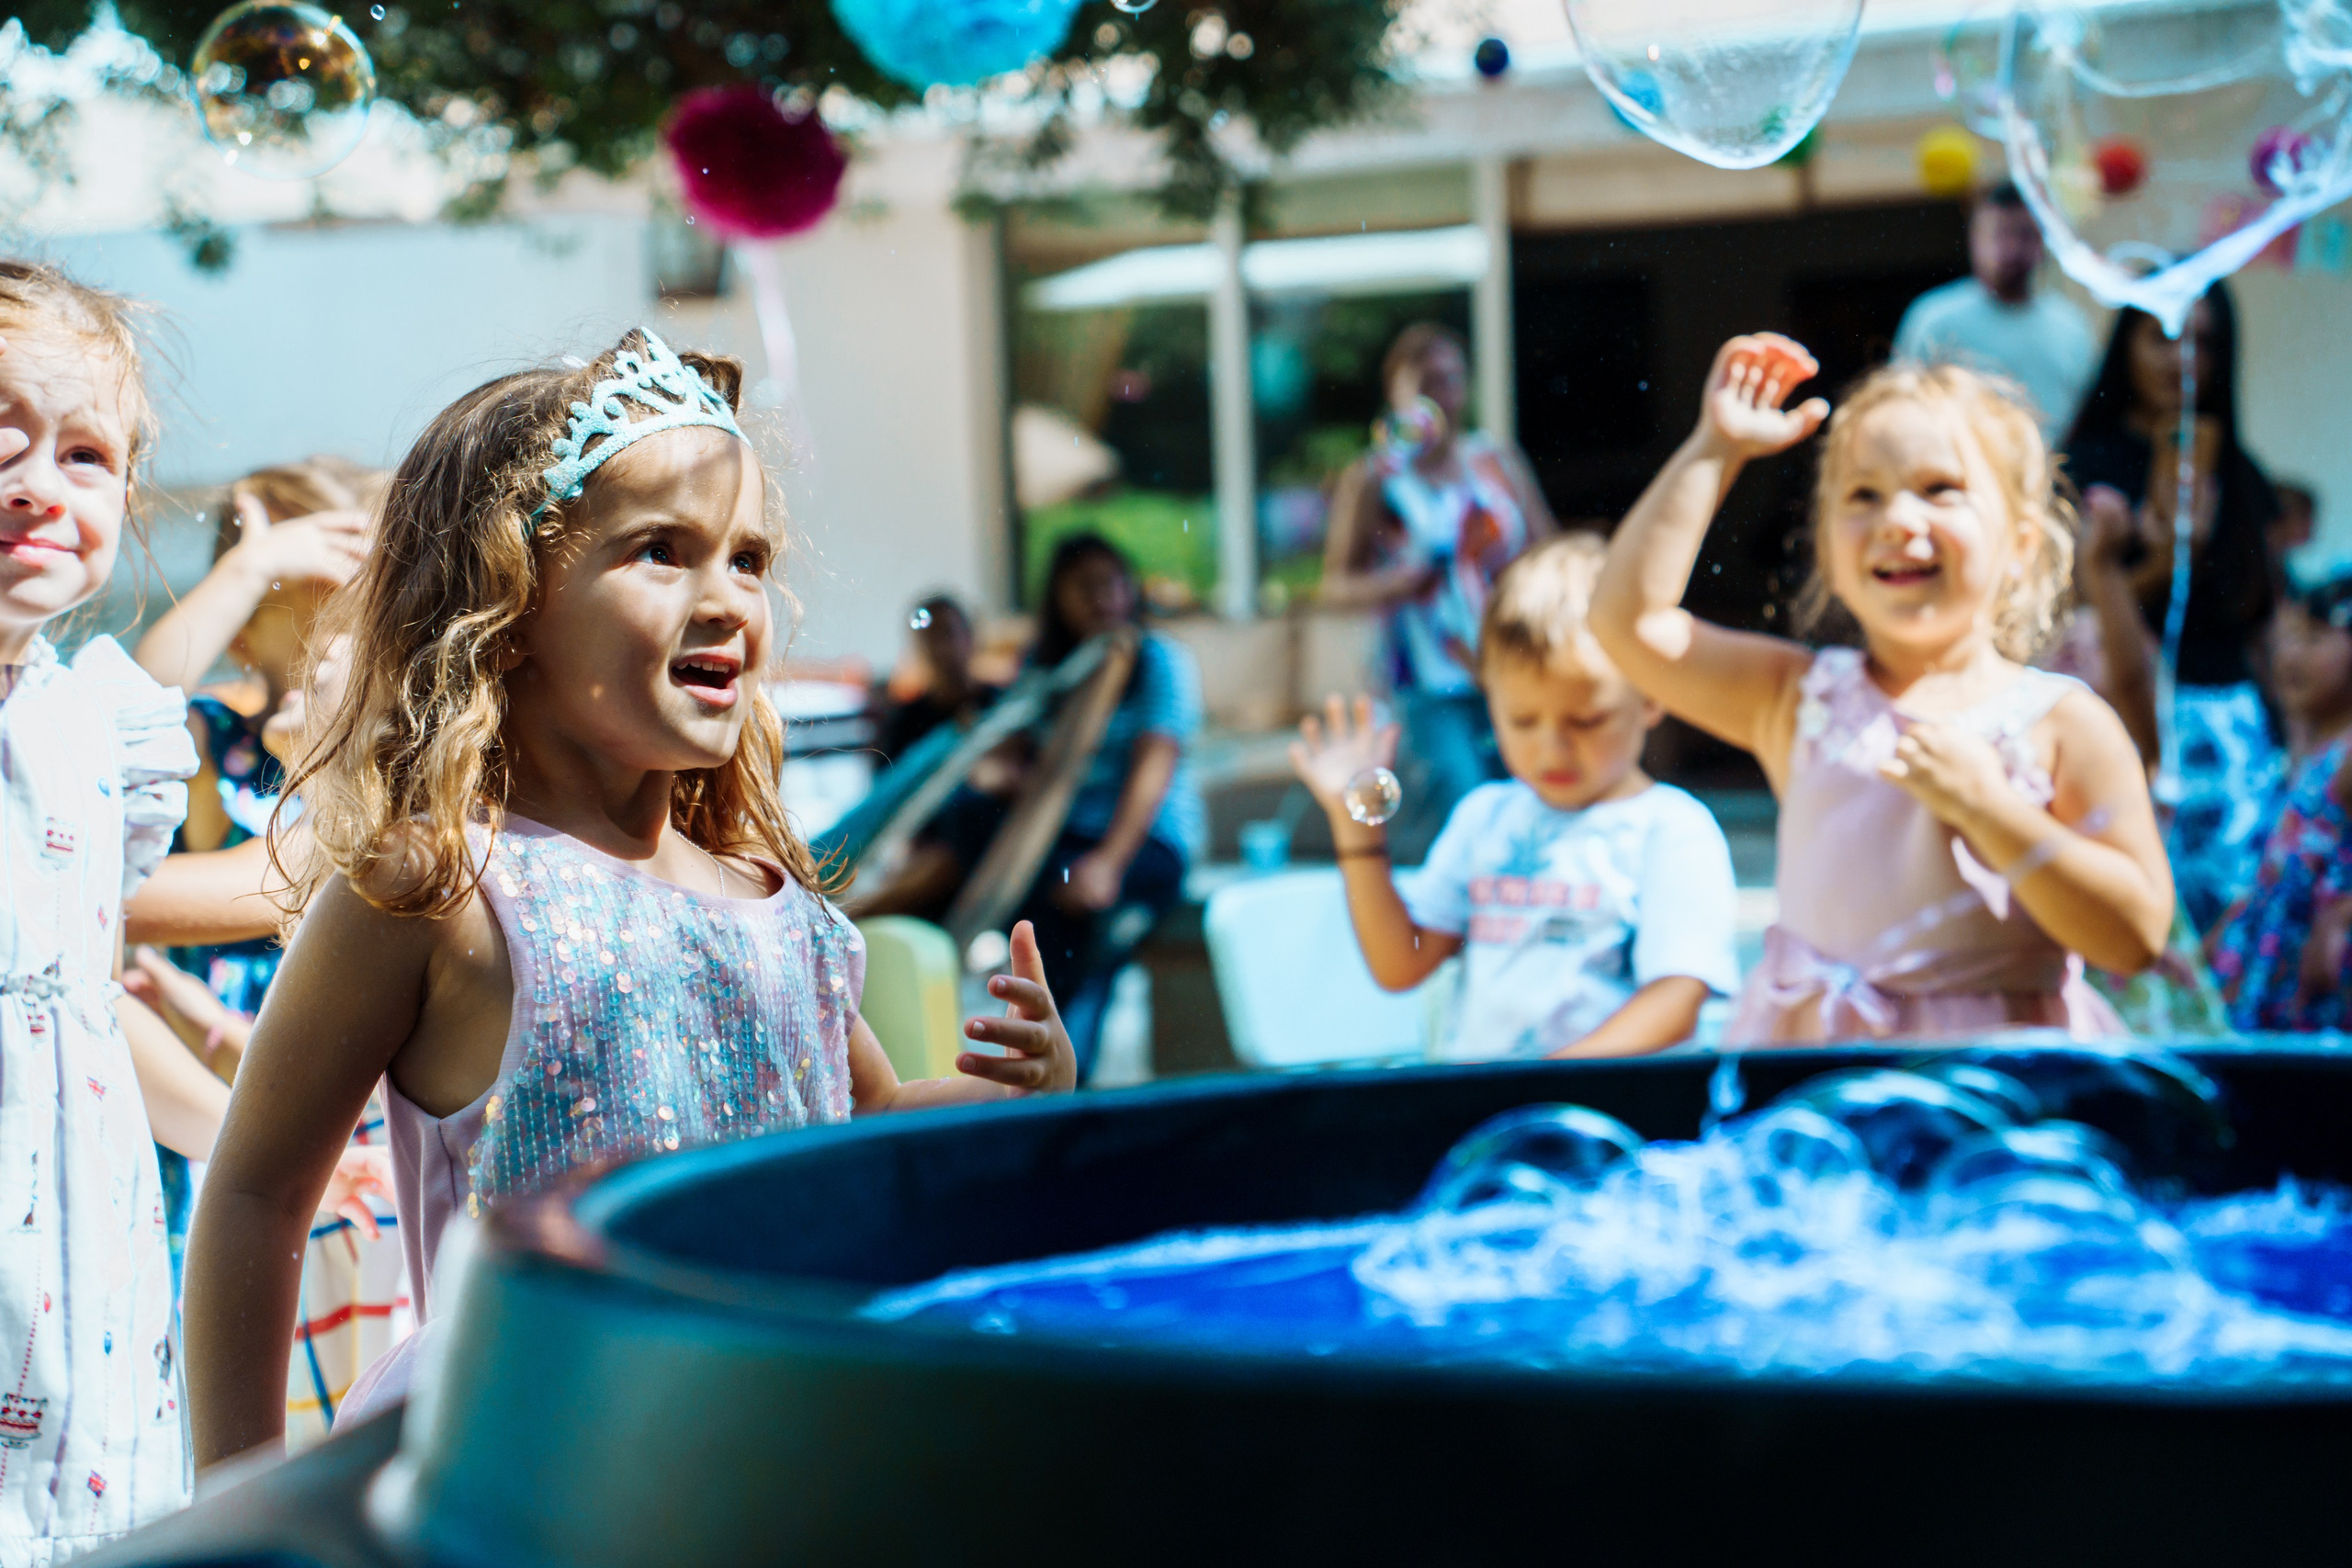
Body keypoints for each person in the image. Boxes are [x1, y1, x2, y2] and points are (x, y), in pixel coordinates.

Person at [182, 329, 1076, 1475]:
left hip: (771, 1458)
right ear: (508, 600)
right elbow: (256, 1194)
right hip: (531, 1478)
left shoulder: (777, 909)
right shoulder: (442, 891)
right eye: (665, 550)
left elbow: (856, 1129)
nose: (729, 600)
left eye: (748, 560)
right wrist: (240, 1500)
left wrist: (1008, 1092)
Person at [1592, 334, 2171, 1043]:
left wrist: (1995, 813)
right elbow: (1627, 622)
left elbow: (2135, 936)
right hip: (1817, 1075)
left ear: (2022, 546)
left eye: (1939, 490)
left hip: (1994, 1088)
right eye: (1864, 496)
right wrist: (1716, 450)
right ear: (1830, 552)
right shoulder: (1796, 698)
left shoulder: (2064, 724)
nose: (1899, 520)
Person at [0, 260, 235, 1553]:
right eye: (0, 434)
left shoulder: (98, 726)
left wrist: (253, 1134)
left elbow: (81, 1003)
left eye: (86, 453)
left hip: (95, 1264)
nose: (41, 481)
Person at [1290, 534, 1740, 1060]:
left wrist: (1545, 1081)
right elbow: (1400, 964)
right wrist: (1356, 827)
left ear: (1652, 694)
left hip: (1608, 1127)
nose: (1553, 748)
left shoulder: (1673, 830)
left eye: (1587, 719)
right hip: (1491, 1120)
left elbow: (1677, 997)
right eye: (1522, 720)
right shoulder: (1485, 818)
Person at [910, 535, 1203, 1077]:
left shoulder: (1158, 659)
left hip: (1143, 843)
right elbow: (1021, 760)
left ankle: (1065, 1068)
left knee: (1066, 919)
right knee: (972, 820)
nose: (1102, 598)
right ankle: (1034, 1054)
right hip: (1063, 841)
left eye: (1112, 583)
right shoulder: (1051, 668)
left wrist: (1109, 863)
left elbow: (1153, 768)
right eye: (1085, 587)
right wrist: (994, 770)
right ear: (1058, 598)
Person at [2064, 285, 2280, 931]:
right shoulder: (2085, 470)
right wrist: (2163, 559)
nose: (2180, 358)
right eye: (2162, 336)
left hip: (2231, 745)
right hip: (2120, 727)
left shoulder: (2241, 476)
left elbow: (2264, 619)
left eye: (2204, 341)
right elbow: (2074, 624)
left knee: (2226, 942)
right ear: (2125, 343)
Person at [1321, 323, 1557, 858]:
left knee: (1524, 802)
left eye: (1452, 380)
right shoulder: (1377, 476)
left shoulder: (1494, 460)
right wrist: (1397, 582)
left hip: (1509, 664)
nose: (1442, 394)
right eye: (1427, 380)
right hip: (1426, 677)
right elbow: (1335, 584)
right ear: (1395, 390)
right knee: (1462, 800)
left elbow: (1547, 549)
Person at [2209, 570, 2352, 1032]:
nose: (2290, 656)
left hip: (2319, 978)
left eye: (2313, 638)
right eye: (2285, 639)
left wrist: (2344, 913)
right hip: (2274, 972)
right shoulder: (2305, 756)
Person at [1893, 182, 2098, 441]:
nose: (2012, 249)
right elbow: (1902, 409)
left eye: (2025, 235)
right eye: (1999, 235)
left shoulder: (2072, 326)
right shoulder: (1935, 318)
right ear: (1974, 239)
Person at [873, 592, 999, 766]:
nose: (940, 647)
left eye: (947, 632)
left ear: (970, 636)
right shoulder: (905, 724)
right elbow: (891, 785)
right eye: (929, 638)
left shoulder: (1001, 703)